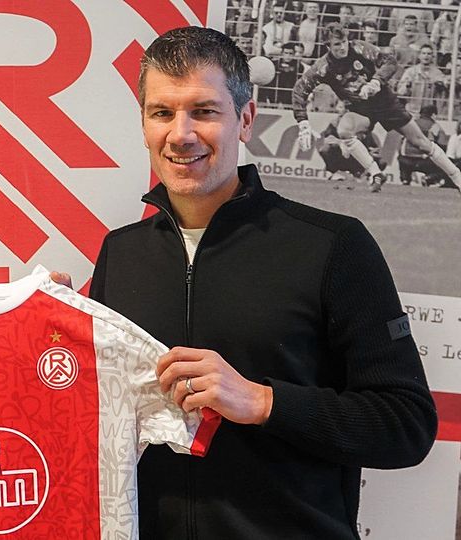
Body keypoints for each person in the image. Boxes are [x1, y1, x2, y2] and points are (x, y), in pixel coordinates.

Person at [90, 26, 437, 539]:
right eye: (162, 112)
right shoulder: (120, 254)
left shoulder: (334, 245)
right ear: (144, 124)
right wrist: (41, 327)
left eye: (204, 111)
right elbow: (89, 412)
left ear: (246, 119)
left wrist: (263, 402)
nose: (181, 134)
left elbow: (406, 425)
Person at [294, 23, 461, 194]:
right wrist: (303, 123)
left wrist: (376, 82)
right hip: (360, 109)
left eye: (344, 42)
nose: (343, 47)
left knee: (421, 143)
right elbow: (300, 90)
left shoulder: (359, 48)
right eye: (337, 44)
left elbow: (390, 61)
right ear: (327, 46)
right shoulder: (323, 67)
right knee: (344, 130)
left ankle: (457, 177)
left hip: (385, 102)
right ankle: (376, 174)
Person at [398, 103, 449, 186]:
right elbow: (442, 144)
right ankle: (429, 178)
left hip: (405, 159)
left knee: (403, 164)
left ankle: (405, 179)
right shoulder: (434, 126)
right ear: (433, 114)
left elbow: (401, 141)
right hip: (424, 160)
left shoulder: (411, 124)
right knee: (444, 166)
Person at [397, 43, 448, 115]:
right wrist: (407, 86)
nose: (426, 56)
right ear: (419, 55)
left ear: (432, 57)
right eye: (423, 53)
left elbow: (443, 93)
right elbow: (400, 92)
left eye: (429, 54)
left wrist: (440, 85)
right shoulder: (410, 71)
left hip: (429, 113)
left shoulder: (437, 73)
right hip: (411, 111)